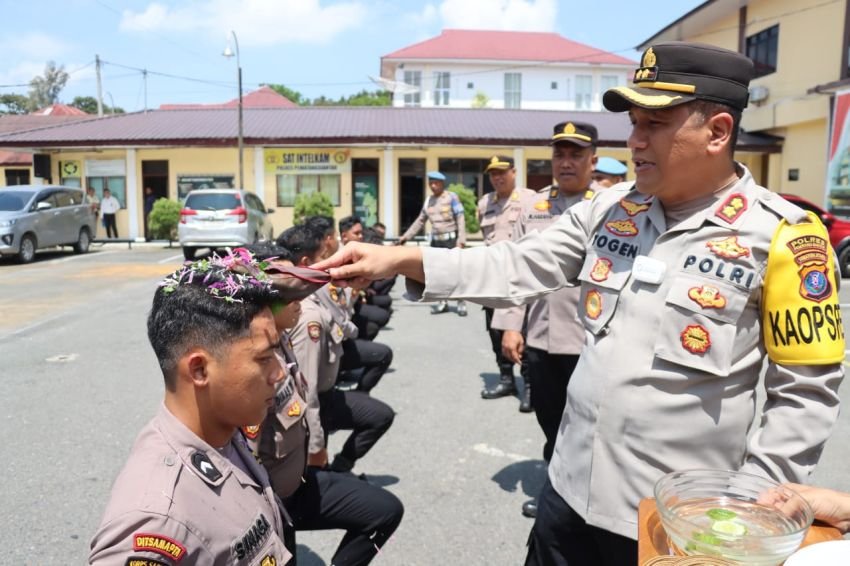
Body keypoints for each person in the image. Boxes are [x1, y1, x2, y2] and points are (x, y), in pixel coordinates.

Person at [314, 42, 846, 565]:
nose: (634, 140)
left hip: (676, 522)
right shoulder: (611, 209)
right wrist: (402, 258)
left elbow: (804, 392)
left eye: (654, 124)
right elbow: (514, 264)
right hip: (567, 493)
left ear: (717, 132)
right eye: (634, 122)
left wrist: (753, 507)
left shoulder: (784, 237)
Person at [89, 251, 297, 564]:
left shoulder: (221, 429)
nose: (279, 374)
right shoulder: (159, 520)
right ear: (199, 370)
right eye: (264, 359)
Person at [241, 242, 404, 566]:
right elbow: (246, 455)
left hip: (298, 478)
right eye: (287, 290)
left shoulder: (284, 339)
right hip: (273, 499)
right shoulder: (252, 363)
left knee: (385, 510)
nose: (300, 297)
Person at [490, 125, 598, 517]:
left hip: (591, 340)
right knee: (551, 418)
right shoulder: (534, 207)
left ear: (593, 161)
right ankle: (558, 489)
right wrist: (511, 324)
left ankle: (586, 495)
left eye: (575, 155)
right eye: (559, 155)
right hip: (540, 336)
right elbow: (516, 268)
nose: (566, 162)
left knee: (589, 423)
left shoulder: (610, 206)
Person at [279, 225, 396, 474]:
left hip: (328, 389)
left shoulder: (317, 288)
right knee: (316, 471)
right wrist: (316, 446)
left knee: (380, 414)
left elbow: (342, 314)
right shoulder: (308, 313)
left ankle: (340, 468)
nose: (328, 261)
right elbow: (306, 390)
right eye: (323, 257)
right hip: (318, 401)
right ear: (306, 262)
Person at [476, 155, 535, 411]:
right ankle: (506, 379)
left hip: (520, 279)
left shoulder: (530, 199)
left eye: (502, 172)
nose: (497, 178)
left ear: (514, 172)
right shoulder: (484, 203)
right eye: (493, 174)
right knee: (495, 332)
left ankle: (531, 386)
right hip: (492, 281)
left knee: (525, 334)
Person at [397, 170, 467, 316]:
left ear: (442, 184)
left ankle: (461, 301)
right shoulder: (429, 201)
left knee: (456, 272)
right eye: (431, 183)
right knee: (439, 274)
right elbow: (420, 221)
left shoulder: (451, 197)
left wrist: (461, 240)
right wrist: (405, 237)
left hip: (451, 241)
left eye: (436, 183)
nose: (433, 186)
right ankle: (443, 302)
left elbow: (460, 218)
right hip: (436, 242)